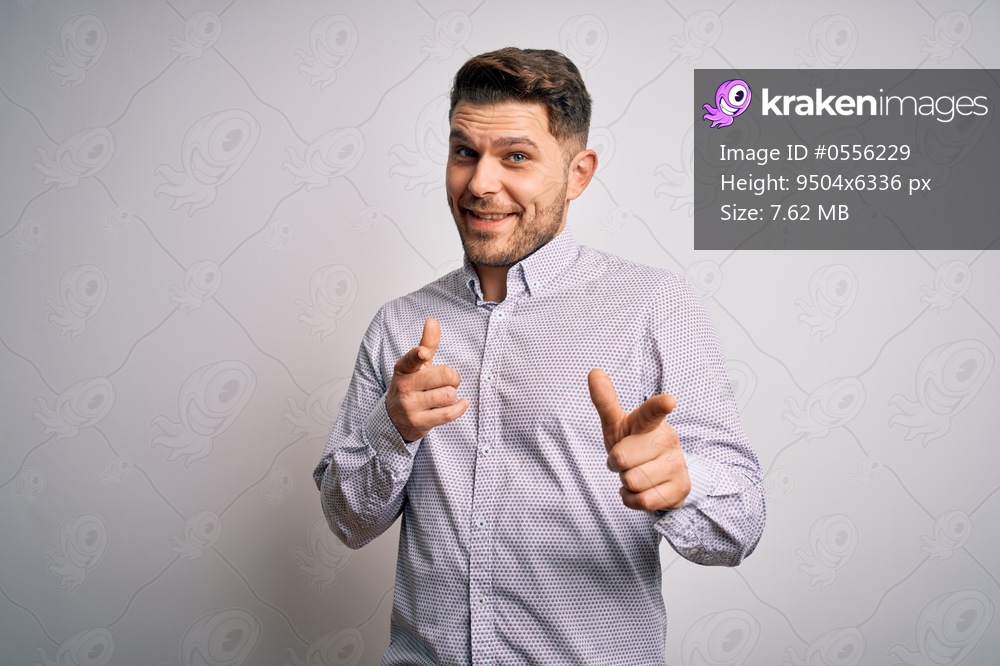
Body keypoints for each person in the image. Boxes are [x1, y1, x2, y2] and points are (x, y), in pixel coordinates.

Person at [314, 47, 765, 665]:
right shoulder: (398, 327)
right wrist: (391, 431)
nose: (479, 184)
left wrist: (682, 486)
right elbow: (347, 522)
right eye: (464, 152)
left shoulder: (654, 306)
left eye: (516, 157)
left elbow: (741, 523)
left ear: (579, 173)